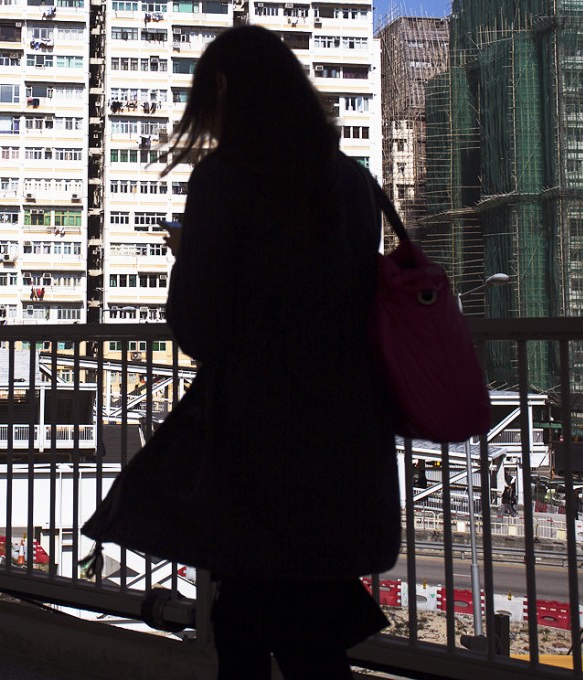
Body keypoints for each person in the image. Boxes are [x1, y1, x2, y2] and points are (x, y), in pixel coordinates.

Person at [160, 25, 400, 679]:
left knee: (244, 627)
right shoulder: (351, 184)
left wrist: (192, 260)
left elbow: (198, 327)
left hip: (257, 442)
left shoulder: (226, 181)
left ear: (226, 95)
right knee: (315, 633)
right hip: (345, 436)